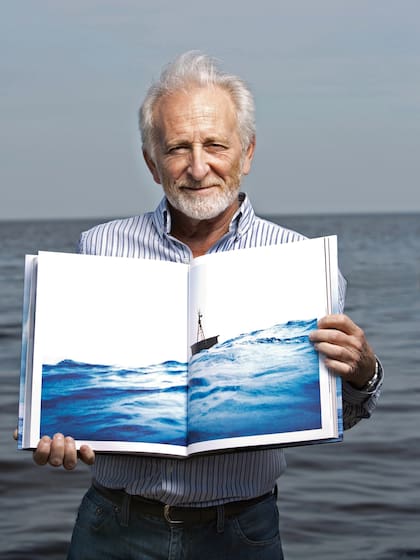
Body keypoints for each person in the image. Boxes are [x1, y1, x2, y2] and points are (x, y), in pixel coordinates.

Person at [28, 51, 383, 559]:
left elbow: (339, 415)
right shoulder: (99, 248)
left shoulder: (301, 263)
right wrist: (57, 430)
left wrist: (361, 373)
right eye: (177, 148)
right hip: (113, 526)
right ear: (152, 163)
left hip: (240, 531)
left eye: (215, 145)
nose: (198, 167)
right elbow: (76, 394)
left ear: (247, 152)